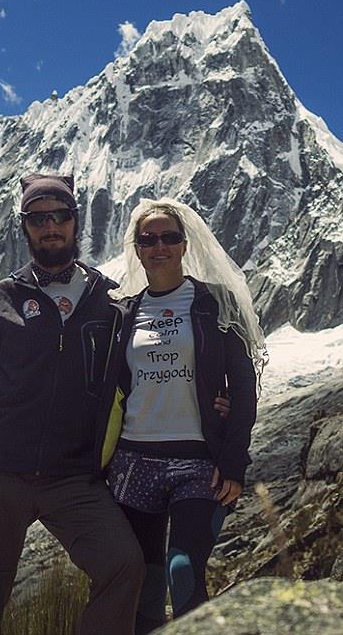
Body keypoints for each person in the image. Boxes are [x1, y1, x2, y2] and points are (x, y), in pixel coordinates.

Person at [0, 173, 147, 635]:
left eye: (60, 216)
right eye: (38, 218)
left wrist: (212, 401)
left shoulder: (111, 301)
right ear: (24, 227)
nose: (51, 226)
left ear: (76, 221)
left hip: (73, 478)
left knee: (123, 565)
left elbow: (139, 377)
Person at [100, 197, 267, 634]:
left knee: (183, 569)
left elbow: (243, 388)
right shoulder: (124, 312)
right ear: (137, 249)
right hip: (134, 461)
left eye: (169, 238)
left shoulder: (216, 302)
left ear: (184, 245)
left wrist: (234, 461)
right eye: (149, 239)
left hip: (199, 463)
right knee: (147, 583)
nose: (160, 247)